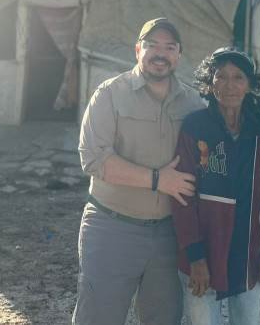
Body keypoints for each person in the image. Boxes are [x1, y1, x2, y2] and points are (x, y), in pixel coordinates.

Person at [73, 18, 206, 325]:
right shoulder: (109, 94)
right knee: (99, 317)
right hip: (112, 227)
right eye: (152, 45)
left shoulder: (193, 103)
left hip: (169, 235)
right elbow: (93, 158)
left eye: (169, 47)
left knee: (163, 318)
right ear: (137, 50)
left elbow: (216, 149)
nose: (160, 53)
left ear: (179, 55)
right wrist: (159, 180)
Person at [172, 47, 260, 325]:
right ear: (209, 83)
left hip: (249, 253)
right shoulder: (195, 127)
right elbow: (182, 197)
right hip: (203, 254)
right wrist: (195, 257)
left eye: (238, 77)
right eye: (220, 76)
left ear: (250, 84)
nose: (229, 85)